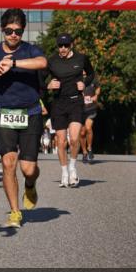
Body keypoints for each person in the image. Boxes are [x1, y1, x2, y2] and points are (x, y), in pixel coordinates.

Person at [0, 9, 48, 228]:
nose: (13, 35)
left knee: (28, 168)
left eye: (18, 31)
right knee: (8, 163)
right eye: (9, 30)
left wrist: (14, 64)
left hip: (31, 113)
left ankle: (30, 183)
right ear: (2, 30)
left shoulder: (30, 50)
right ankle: (15, 211)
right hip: (4, 113)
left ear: (23, 31)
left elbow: (43, 62)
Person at [46, 33, 95, 188]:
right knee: (61, 141)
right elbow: (39, 80)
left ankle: (73, 168)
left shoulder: (81, 58)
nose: (63, 49)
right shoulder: (51, 61)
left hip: (75, 102)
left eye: (66, 45)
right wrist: (48, 85)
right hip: (59, 104)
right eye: (60, 46)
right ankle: (64, 172)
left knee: (74, 139)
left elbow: (92, 74)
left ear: (71, 45)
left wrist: (84, 83)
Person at [80, 79, 100, 163]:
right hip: (80, 110)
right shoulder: (75, 77)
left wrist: (96, 95)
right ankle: (84, 152)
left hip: (91, 108)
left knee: (88, 128)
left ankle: (90, 148)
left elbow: (98, 88)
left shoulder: (92, 78)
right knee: (82, 133)